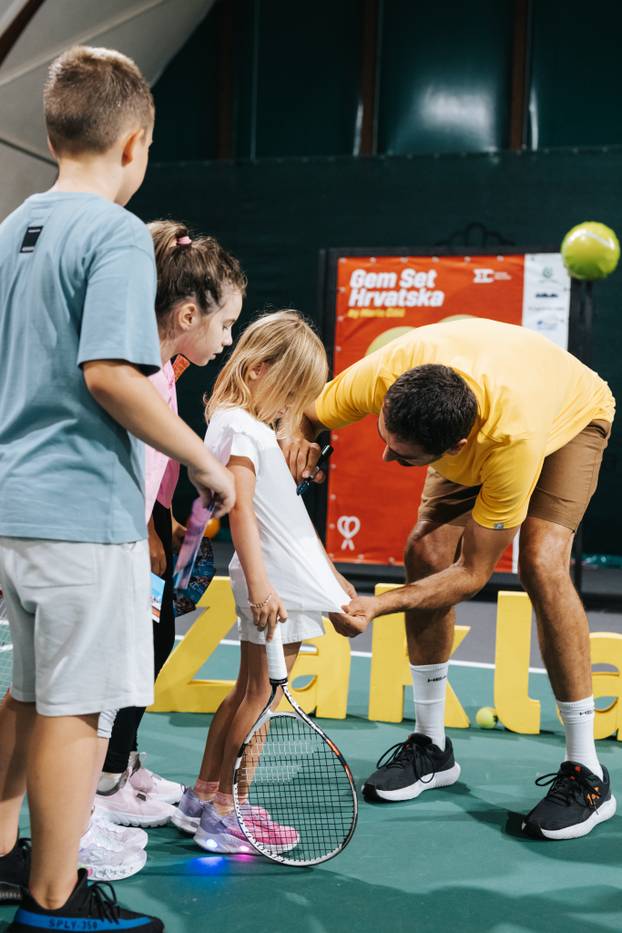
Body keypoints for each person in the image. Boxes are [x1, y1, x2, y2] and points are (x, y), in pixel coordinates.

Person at [0, 46, 234, 932]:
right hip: (79, 516)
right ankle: (55, 905)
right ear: (135, 143)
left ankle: (5, 860)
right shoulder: (113, 237)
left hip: (15, 511)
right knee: (76, 709)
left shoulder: (13, 228)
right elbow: (112, 376)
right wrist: (205, 463)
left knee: (27, 696)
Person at [284, 317, 615, 841]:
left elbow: (473, 574)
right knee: (426, 548)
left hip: (571, 414)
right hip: (491, 388)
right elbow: (307, 416)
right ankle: (432, 746)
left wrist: (376, 606)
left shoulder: (512, 440)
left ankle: (587, 772)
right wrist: (303, 443)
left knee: (541, 564)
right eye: (386, 437)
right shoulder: (388, 373)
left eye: (404, 454)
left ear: (458, 446)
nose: (387, 455)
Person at [171, 310, 354, 853]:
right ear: (257, 370)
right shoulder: (244, 427)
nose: (292, 408)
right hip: (278, 585)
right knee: (262, 704)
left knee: (247, 693)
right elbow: (242, 509)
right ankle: (229, 812)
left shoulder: (238, 423)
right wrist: (261, 586)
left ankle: (205, 796)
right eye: (291, 391)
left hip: (280, 580)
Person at [94, 221, 246, 831]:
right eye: (226, 323)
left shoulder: (161, 370)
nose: (230, 339)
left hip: (128, 536)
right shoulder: (131, 373)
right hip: (101, 545)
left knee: (124, 667)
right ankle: (95, 799)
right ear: (187, 314)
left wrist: (169, 517)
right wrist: (152, 531)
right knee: (83, 692)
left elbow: (152, 465)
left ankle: (110, 777)